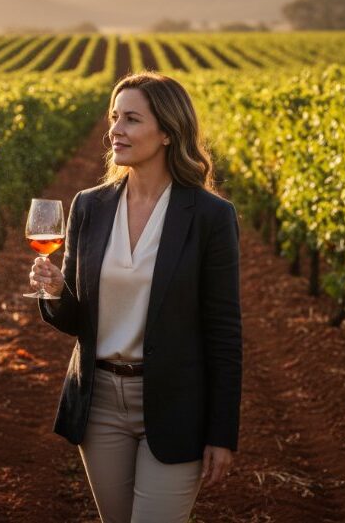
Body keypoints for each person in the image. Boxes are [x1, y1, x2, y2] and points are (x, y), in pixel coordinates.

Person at [29, 71, 242, 523]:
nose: (115, 130)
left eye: (131, 119)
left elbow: (224, 333)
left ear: (167, 132)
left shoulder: (210, 216)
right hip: (100, 401)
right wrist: (54, 291)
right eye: (113, 117)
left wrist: (222, 433)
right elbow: (77, 319)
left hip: (175, 402)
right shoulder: (90, 205)